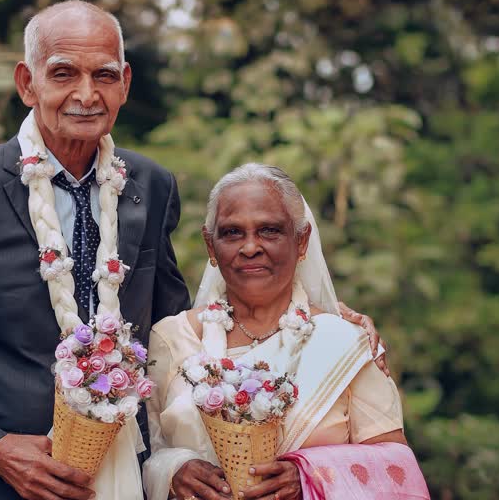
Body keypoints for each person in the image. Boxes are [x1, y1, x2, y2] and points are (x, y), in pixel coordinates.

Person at [0, 0, 388, 500]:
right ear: (27, 82)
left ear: (125, 83)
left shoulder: (150, 187)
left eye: (104, 75)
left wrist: (316, 317)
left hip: (128, 483)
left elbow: (179, 334)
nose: (86, 94)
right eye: (64, 73)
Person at [143, 164, 429, 500]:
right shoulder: (171, 338)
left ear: (302, 239)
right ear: (211, 246)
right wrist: (174, 471)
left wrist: (308, 476)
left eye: (269, 231)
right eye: (233, 233)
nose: (250, 247)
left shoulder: (345, 343)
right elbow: (141, 454)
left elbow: (397, 470)